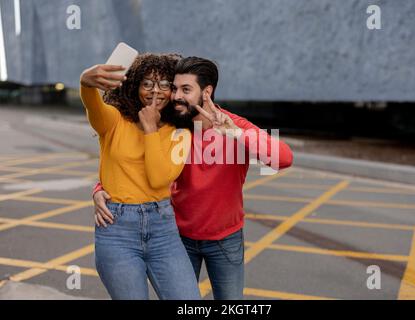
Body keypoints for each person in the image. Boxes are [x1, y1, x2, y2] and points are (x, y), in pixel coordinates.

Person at [93, 56, 293, 299]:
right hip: (178, 236)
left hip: (225, 238)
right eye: (174, 88)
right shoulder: (171, 127)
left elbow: (283, 159)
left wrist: (237, 134)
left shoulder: (234, 126)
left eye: (186, 90)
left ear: (207, 91)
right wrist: (101, 187)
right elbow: (129, 163)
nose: (176, 96)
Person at [80, 53, 201, 300]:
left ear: (173, 91)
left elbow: (159, 179)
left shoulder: (179, 132)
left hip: (163, 230)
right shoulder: (114, 121)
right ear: (135, 87)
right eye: (147, 83)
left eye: (164, 85)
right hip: (117, 231)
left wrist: (150, 130)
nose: (155, 91)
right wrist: (86, 83)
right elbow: (93, 105)